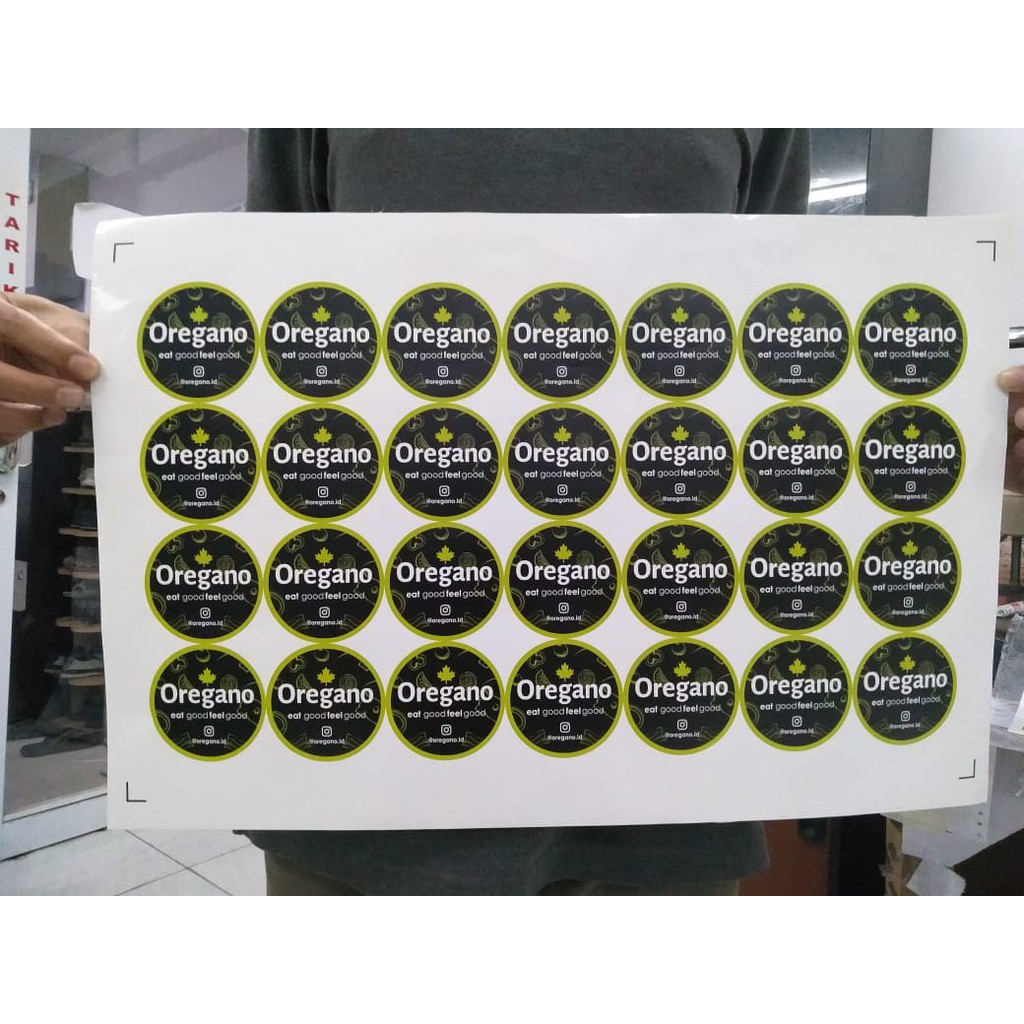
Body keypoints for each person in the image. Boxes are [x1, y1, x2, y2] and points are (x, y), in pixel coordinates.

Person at [3, 129, 1021, 895]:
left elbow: (766, 355)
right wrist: (93, 367)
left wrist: (965, 428)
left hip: (664, 752)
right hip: (367, 754)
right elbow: (285, 337)